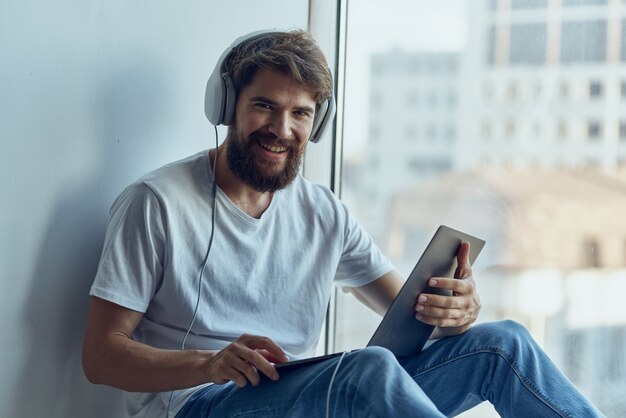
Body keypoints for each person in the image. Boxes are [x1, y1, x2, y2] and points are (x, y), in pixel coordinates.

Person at [82, 29, 605, 418]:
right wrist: (211, 364)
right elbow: (101, 357)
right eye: (264, 105)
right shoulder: (155, 203)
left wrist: (454, 311)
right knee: (367, 370)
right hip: (200, 404)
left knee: (503, 343)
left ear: (318, 122)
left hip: (307, 399)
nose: (281, 129)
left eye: (301, 114)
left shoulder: (323, 212)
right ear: (226, 106)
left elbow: (409, 314)